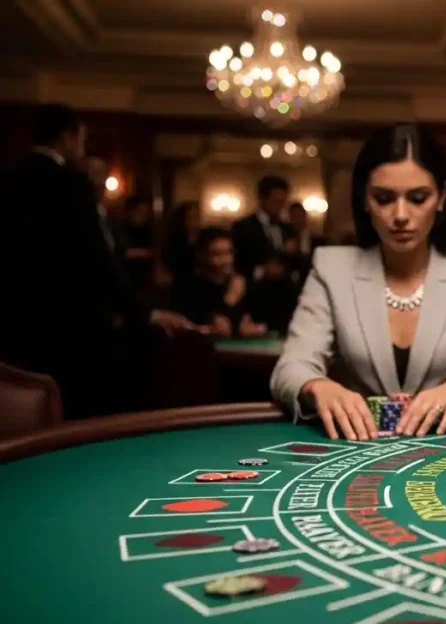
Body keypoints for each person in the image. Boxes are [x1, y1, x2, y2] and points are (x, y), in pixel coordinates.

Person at [271, 124, 446, 440]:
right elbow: (289, 369)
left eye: (418, 198)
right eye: (384, 198)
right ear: (365, 200)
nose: (400, 214)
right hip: (356, 445)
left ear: (442, 197)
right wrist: (318, 386)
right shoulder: (331, 268)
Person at [0, 103, 193, 417]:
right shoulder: (71, 182)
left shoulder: (8, 178)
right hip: (72, 323)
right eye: (81, 138)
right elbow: (95, 258)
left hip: (14, 320)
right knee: (79, 413)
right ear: (67, 136)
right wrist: (143, 312)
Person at [173, 227, 266, 338]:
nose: (226, 260)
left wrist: (254, 328)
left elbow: (258, 322)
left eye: (229, 253)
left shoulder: (241, 282)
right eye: (217, 254)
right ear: (202, 256)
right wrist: (231, 298)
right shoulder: (189, 287)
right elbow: (217, 326)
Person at [231, 175, 296, 279]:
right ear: (262, 199)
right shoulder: (243, 227)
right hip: (254, 285)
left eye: (282, 202)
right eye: (275, 201)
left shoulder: (288, 229)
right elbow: (237, 263)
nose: (280, 207)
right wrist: (262, 271)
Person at [247, 250, 300, 334]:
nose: (274, 268)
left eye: (277, 264)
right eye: (271, 264)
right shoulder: (256, 288)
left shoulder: (292, 289)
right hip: (259, 333)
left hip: (288, 332)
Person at [161, 201, 202, 288]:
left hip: (202, 280)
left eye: (196, 216)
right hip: (181, 280)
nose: (194, 220)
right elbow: (168, 260)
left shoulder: (204, 236)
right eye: (190, 216)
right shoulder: (175, 238)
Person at [287, 200, 326, 278]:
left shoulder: (316, 239)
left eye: (300, 216)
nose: (298, 220)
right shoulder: (286, 238)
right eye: (295, 217)